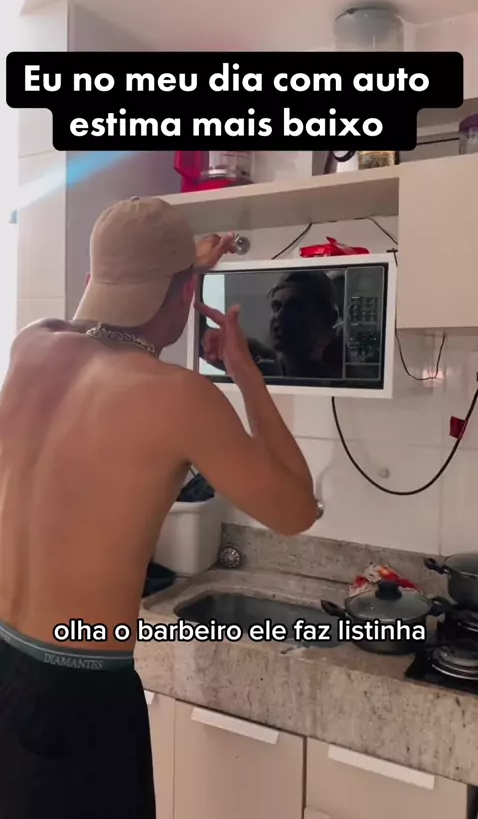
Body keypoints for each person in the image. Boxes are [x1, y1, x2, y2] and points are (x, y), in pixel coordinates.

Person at [0, 196, 319, 819]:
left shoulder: (30, 344)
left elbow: (100, 321)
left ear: (94, 280)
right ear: (185, 297)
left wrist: (177, 268)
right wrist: (245, 370)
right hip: (78, 693)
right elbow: (296, 511)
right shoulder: (180, 396)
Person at [202, 269, 343, 380]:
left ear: (321, 322)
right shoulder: (264, 369)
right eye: (276, 307)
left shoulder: (333, 379)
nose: (278, 316)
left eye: (294, 308)